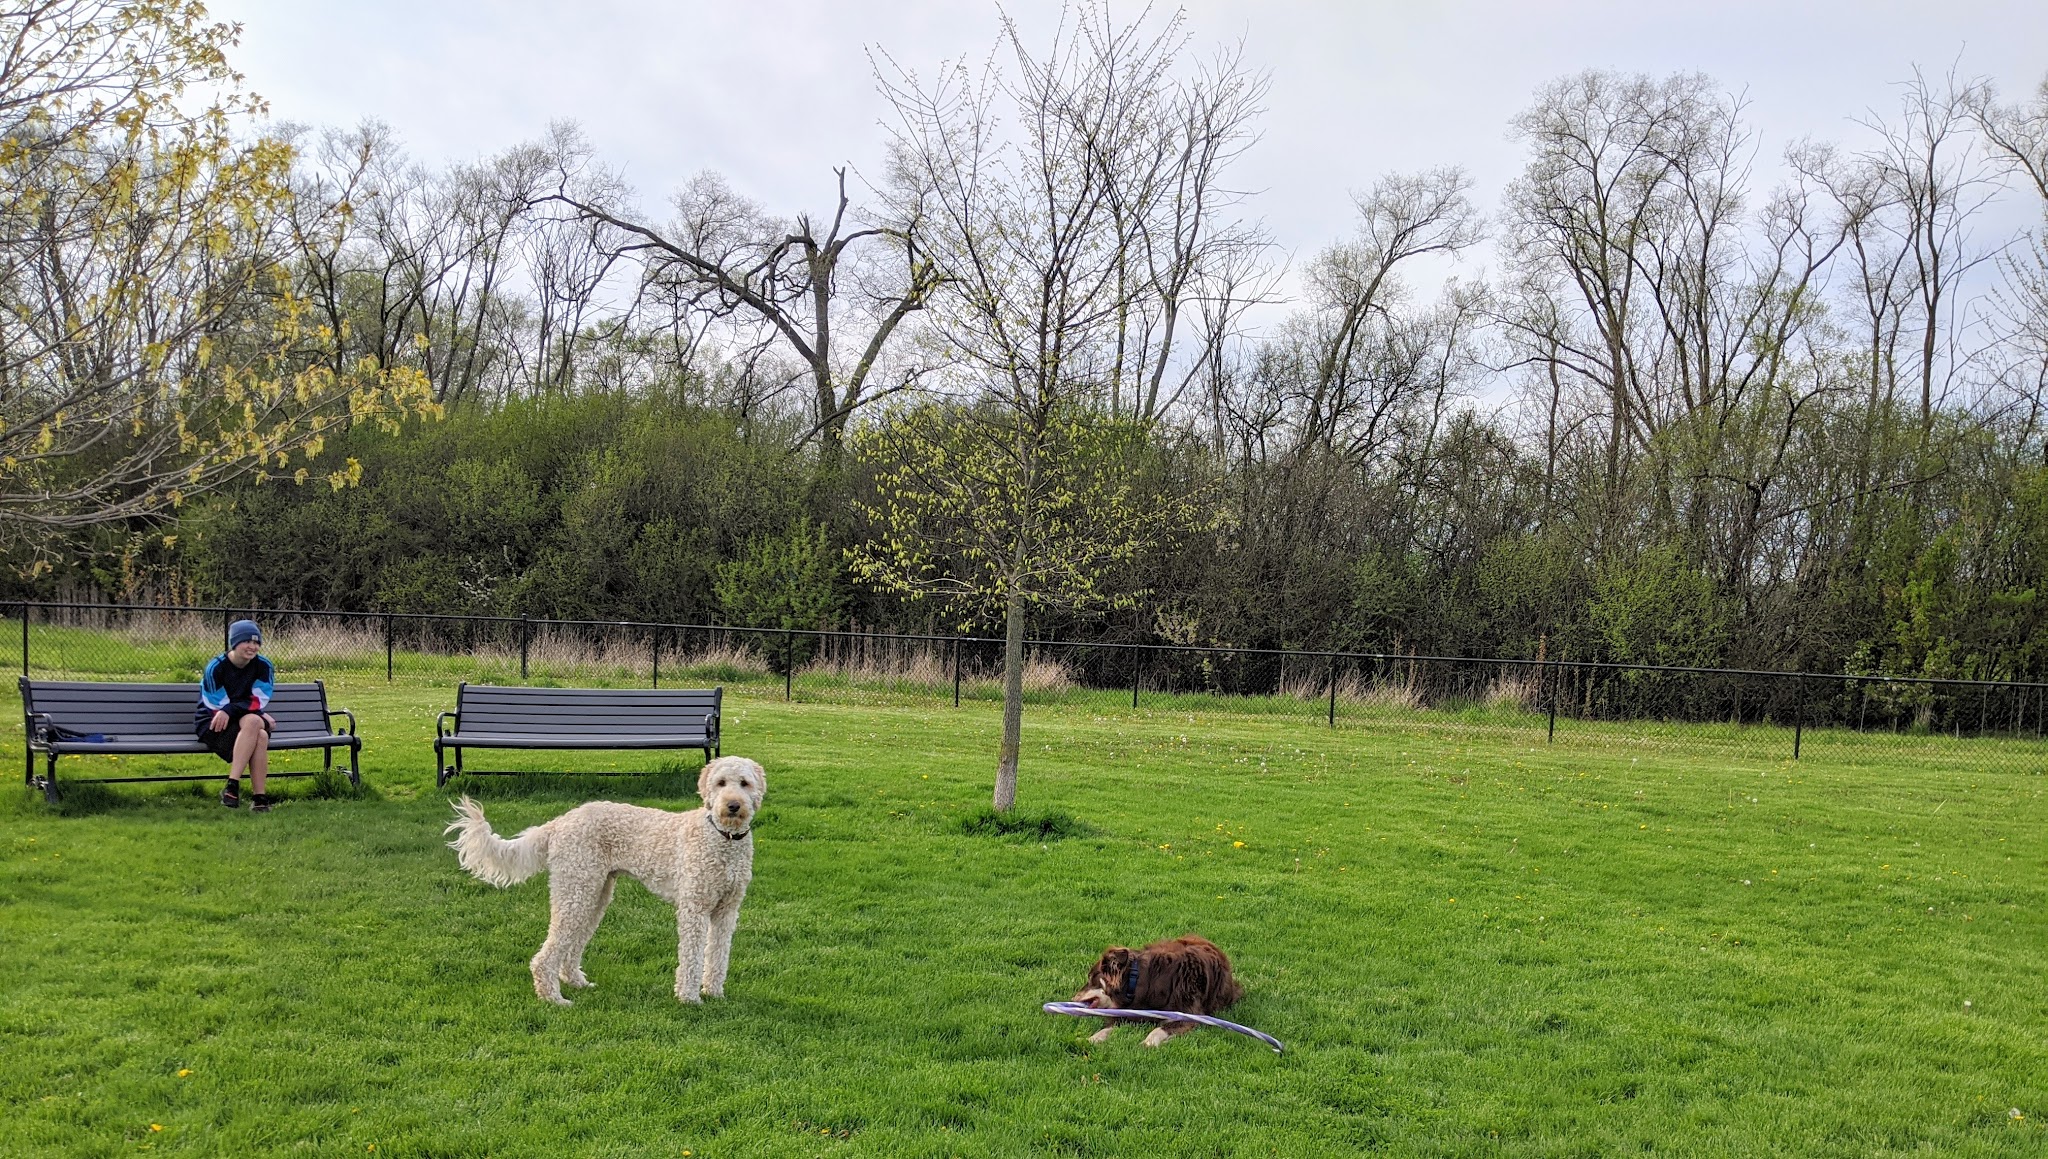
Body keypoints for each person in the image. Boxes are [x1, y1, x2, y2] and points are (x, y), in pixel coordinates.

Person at [197, 619, 278, 812]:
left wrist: (253, 711)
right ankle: (258, 798)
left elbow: (259, 698)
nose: (252, 646)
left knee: (255, 725)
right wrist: (256, 713)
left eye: (256, 642)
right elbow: (216, 704)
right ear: (234, 642)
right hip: (213, 722)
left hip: (243, 720)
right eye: (247, 642)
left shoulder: (264, 666)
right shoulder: (215, 667)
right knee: (259, 730)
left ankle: (233, 787)